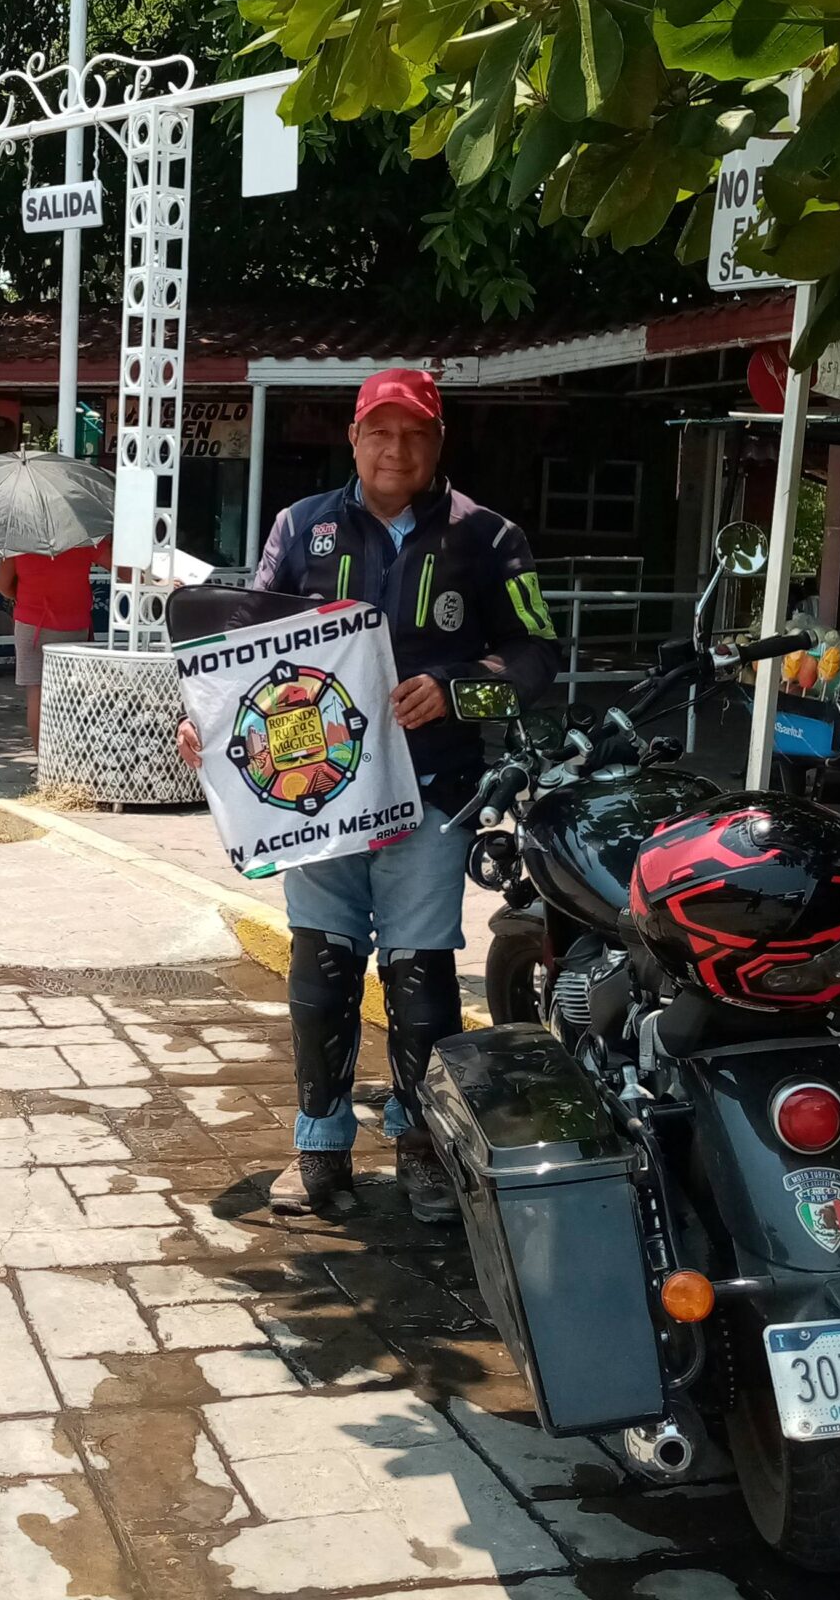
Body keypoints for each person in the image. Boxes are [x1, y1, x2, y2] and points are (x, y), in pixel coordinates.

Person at [177, 368, 558, 1224]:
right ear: (353, 439)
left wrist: (459, 688)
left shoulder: (489, 539)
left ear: (438, 440)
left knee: (422, 971)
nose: (396, 448)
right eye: (379, 432)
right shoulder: (298, 527)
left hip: (432, 789)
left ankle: (422, 1139)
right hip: (315, 795)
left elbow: (536, 661)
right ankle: (320, 1142)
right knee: (323, 961)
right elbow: (246, 645)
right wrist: (204, 721)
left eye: (413, 432)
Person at [0, 539, 110, 749]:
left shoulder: (16, 538)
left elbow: (2, 583)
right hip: (74, 624)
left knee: (36, 692)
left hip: (31, 624)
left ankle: (43, 763)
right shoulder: (82, 535)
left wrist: (24, 599)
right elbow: (121, 567)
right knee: (75, 695)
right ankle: (69, 755)